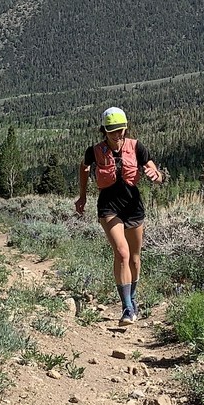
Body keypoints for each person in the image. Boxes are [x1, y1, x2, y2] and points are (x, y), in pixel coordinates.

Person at [75, 107, 163, 323]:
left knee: (134, 258)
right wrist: (82, 196)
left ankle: (132, 300)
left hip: (133, 206)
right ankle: (126, 308)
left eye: (121, 130)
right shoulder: (94, 151)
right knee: (122, 253)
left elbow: (156, 173)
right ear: (104, 130)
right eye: (113, 130)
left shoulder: (136, 147)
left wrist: (156, 175)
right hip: (108, 207)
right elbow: (84, 168)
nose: (118, 134)